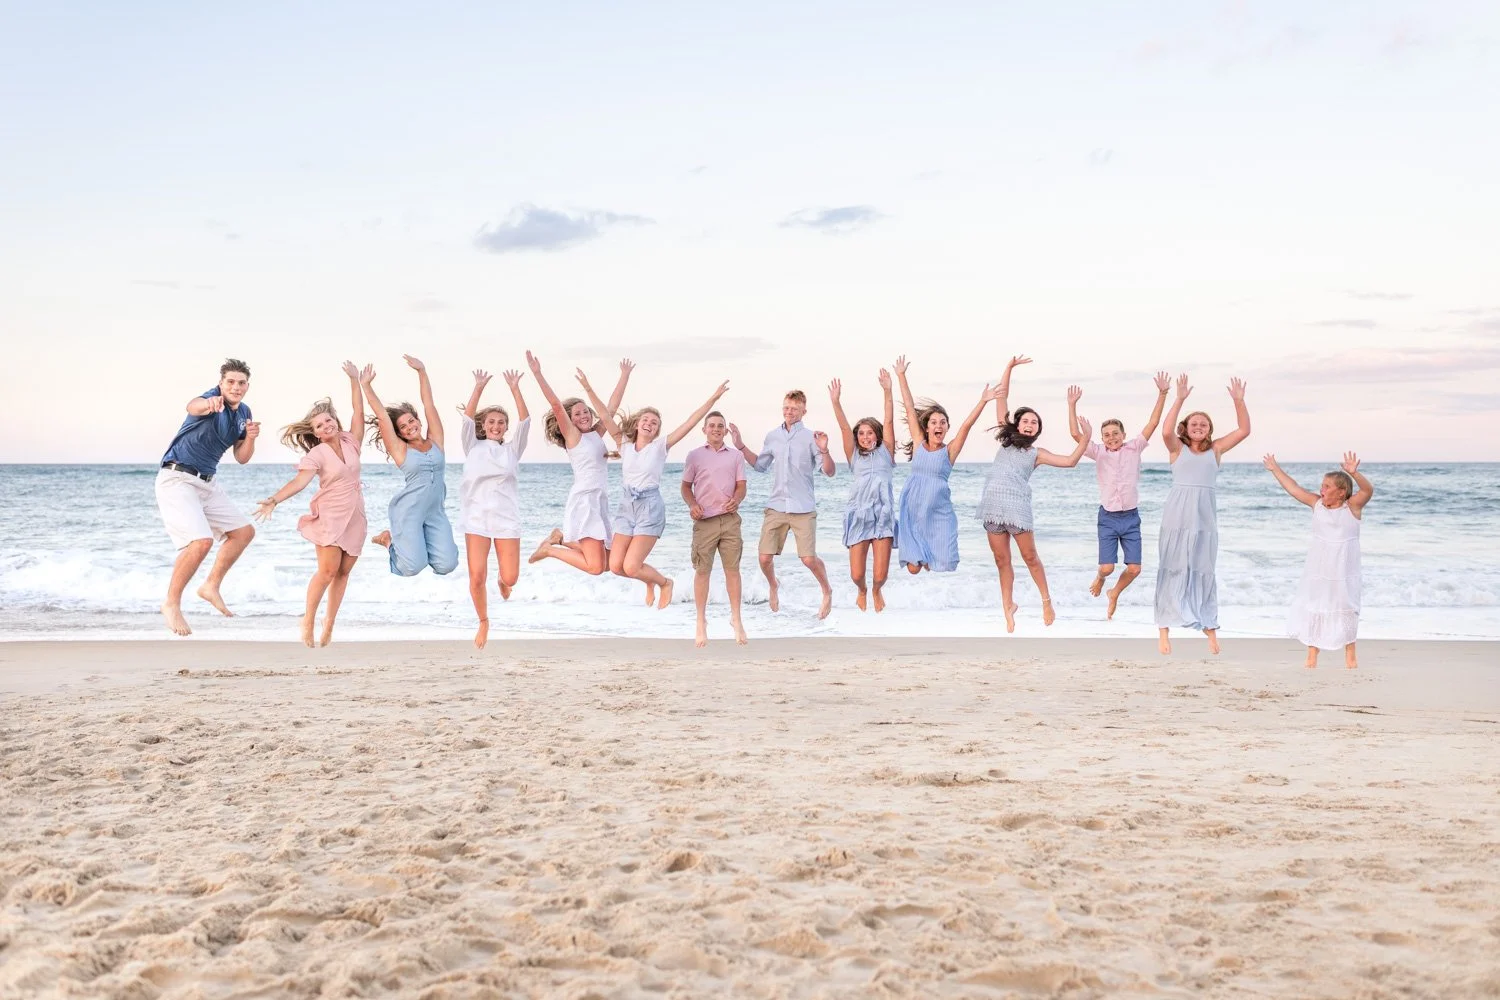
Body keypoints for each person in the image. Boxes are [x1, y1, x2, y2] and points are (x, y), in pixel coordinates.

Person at [577, 369, 730, 609]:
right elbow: (606, 416)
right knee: (615, 566)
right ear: (638, 425)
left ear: (657, 430)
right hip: (626, 507)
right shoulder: (624, 444)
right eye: (646, 420)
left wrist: (713, 399)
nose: (649, 424)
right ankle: (648, 581)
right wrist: (587, 387)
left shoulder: (660, 447)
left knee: (630, 566)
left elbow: (690, 422)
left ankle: (664, 583)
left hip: (649, 508)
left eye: (654, 423)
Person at [254, 363, 369, 647]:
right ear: (315, 433)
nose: (326, 426)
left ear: (335, 423)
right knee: (328, 571)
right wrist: (274, 499)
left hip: (355, 514)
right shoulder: (317, 454)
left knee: (344, 573)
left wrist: (355, 381)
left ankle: (328, 623)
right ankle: (307, 619)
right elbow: (300, 482)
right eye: (319, 425)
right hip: (330, 516)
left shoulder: (351, 441)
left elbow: (359, 413)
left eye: (329, 421)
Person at [979, 356, 1091, 632]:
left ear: (1038, 430)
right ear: (1017, 425)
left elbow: (1070, 461)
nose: (1029, 425)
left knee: (1030, 557)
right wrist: (1008, 368)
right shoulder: (1006, 440)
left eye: (1035, 423)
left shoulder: (1036, 454)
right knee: (1001, 560)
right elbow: (1001, 398)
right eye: (1026, 420)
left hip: (1017, 510)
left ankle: (1046, 600)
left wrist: (1086, 438)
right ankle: (1008, 607)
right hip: (992, 507)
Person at [154, 358, 260, 636]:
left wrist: (250, 437)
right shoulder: (211, 399)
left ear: (247, 386)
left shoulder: (244, 412)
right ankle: (171, 604)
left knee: (243, 532)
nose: (236, 387)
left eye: (241, 383)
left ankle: (210, 585)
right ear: (221, 383)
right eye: (230, 382)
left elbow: (242, 458)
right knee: (200, 542)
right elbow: (192, 406)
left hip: (207, 482)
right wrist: (208, 405)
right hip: (177, 478)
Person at [1154, 374, 1251, 655]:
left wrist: (1238, 401)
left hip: (1204, 518)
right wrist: (1180, 398)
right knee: (1172, 567)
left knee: (1203, 569)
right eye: (1194, 423)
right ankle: (1163, 629)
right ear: (1187, 428)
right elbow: (1165, 431)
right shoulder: (1177, 448)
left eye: (1203, 424)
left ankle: (1209, 628)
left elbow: (1244, 430)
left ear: (1209, 430)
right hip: (1177, 515)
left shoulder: (1216, 449)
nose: (1198, 427)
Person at [1067, 372, 1172, 619]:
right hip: (1108, 518)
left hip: (1131, 518)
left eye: (1116, 433)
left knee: (1134, 569)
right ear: (1102, 439)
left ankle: (1114, 592)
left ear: (1123, 435)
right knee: (1106, 567)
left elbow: (1153, 424)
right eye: (1106, 435)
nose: (1111, 437)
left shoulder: (1134, 447)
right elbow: (1075, 435)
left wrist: (1163, 393)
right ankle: (1101, 579)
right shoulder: (1098, 452)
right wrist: (1072, 405)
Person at [729, 390, 836, 619]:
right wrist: (739, 445)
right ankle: (774, 585)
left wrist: (825, 449)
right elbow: (759, 465)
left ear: (803, 411)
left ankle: (826, 590)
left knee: (808, 559)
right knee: (764, 558)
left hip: (803, 508)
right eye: (786, 408)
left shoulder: (811, 437)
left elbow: (829, 472)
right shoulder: (772, 436)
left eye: (795, 409)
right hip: (776, 505)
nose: (789, 412)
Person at [1263, 452, 1373, 669]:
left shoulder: (1352, 507)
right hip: (1319, 568)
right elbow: (1294, 488)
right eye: (1322, 486)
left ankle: (1350, 655)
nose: (1321, 490)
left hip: (1344, 570)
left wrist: (1354, 473)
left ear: (1341, 492)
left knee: (1346, 606)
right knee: (1316, 606)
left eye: (1326, 486)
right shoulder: (1317, 505)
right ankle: (1312, 655)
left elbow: (1368, 490)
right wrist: (1275, 468)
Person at [525, 353, 631, 576]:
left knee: (606, 565)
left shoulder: (596, 434)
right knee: (595, 568)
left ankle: (560, 538)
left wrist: (624, 375)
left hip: (599, 499)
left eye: (586, 411)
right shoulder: (574, 437)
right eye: (577, 413)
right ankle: (549, 549)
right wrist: (537, 373)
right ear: (570, 420)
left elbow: (610, 408)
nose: (583, 416)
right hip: (585, 501)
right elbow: (555, 404)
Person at [893, 355, 996, 575]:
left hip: (938, 510)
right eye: (934, 422)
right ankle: (922, 557)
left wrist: (983, 401)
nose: (938, 426)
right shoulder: (920, 444)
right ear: (927, 427)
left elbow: (967, 425)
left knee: (943, 565)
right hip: (914, 507)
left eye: (943, 422)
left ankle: (931, 557)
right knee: (912, 568)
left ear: (947, 427)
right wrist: (901, 375)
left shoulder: (949, 451)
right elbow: (910, 409)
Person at [362, 356, 459, 578]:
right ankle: (389, 542)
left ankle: (419, 545)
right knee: (412, 567)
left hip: (435, 511)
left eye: (411, 421)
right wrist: (366, 386)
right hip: (409, 511)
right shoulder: (401, 450)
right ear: (399, 433)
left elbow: (429, 404)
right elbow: (383, 418)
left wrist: (422, 372)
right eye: (403, 427)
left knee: (447, 565)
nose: (409, 427)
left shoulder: (436, 441)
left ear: (418, 420)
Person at [458, 367, 531, 649]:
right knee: (476, 576)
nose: (496, 425)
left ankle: (503, 581)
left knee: (511, 577)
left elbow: (525, 421)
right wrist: (478, 387)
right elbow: (466, 420)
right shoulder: (472, 446)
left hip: (506, 520)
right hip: (476, 519)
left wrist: (515, 388)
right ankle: (483, 621)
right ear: (484, 425)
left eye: (501, 422)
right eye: (491, 421)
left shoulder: (512, 450)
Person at [827, 372, 897, 611]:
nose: (865, 436)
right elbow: (844, 428)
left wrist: (888, 390)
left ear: (877, 435)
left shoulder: (887, 451)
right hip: (858, 514)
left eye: (870, 432)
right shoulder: (854, 455)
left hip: (883, 514)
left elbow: (889, 420)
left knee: (881, 573)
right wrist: (836, 402)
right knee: (856, 574)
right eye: (862, 433)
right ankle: (862, 590)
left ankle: (876, 590)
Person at [681, 411, 749, 646]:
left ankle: (736, 619)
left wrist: (737, 499)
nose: (717, 429)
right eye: (712, 426)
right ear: (705, 430)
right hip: (704, 522)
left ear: (726, 431)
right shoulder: (694, 456)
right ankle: (701, 622)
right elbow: (686, 487)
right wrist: (692, 504)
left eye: (721, 426)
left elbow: (741, 486)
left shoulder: (736, 456)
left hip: (730, 520)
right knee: (702, 572)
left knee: (733, 570)